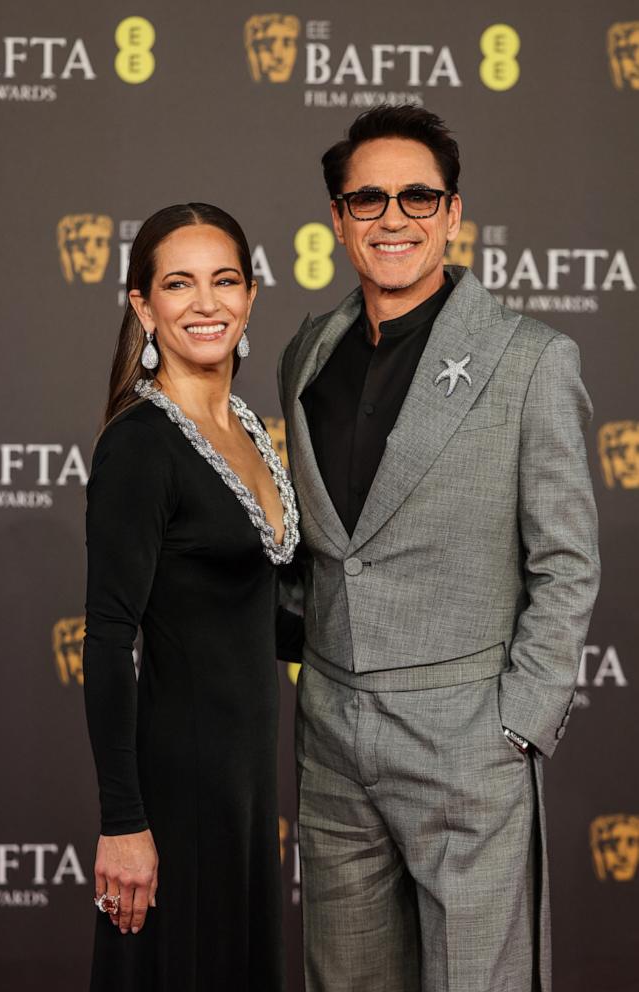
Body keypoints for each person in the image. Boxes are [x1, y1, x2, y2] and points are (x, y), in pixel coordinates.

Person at [278, 106, 600, 992]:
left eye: (418, 196)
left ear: (454, 214)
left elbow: (565, 562)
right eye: (368, 198)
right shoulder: (308, 351)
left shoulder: (531, 359)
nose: (394, 217)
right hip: (332, 742)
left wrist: (516, 724)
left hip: (467, 742)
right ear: (338, 218)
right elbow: (322, 551)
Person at [83, 202, 300, 992]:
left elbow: (256, 615)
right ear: (143, 305)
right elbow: (107, 640)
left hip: (245, 787)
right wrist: (123, 823)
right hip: (177, 787)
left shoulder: (245, 425)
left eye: (224, 280)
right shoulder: (140, 444)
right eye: (178, 284)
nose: (205, 303)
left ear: (249, 296)